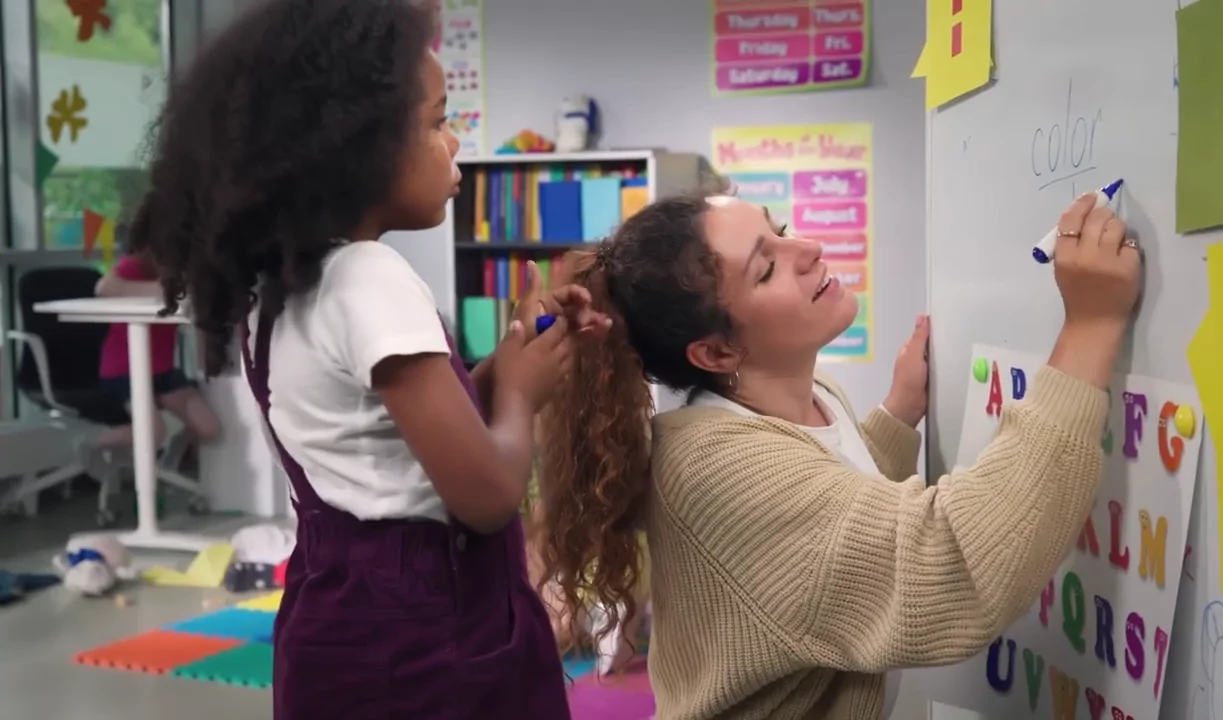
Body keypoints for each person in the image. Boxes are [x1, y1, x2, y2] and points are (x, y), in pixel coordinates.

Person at [129, 1, 607, 717]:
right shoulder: (371, 279)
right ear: (354, 147)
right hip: (431, 633)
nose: (455, 142)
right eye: (438, 121)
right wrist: (523, 396)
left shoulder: (287, 288)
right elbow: (484, 496)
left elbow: (401, 430)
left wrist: (513, 356)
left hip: (335, 619)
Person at [538, 191, 1142, 718]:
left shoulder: (803, 396)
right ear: (718, 353)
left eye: (778, 228)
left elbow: (834, 518)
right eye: (767, 267)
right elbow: (950, 566)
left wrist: (896, 415)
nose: (808, 248)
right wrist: (1089, 328)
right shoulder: (715, 469)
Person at [95, 246, 221, 453]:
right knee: (153, 432)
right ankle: (89, 444)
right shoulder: (135, 266)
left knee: (209, 429)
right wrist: (167, 291)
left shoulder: (189, 271)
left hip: (162, 371)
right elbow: (103, 288)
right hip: (125, 370)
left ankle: (170, 458)